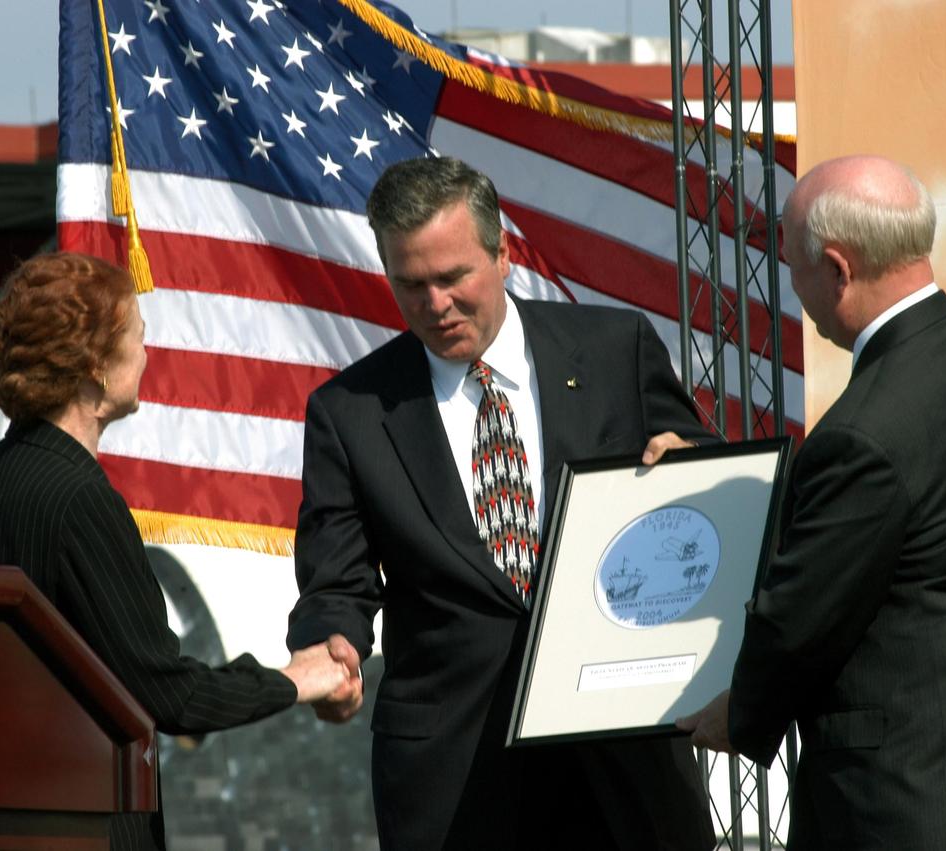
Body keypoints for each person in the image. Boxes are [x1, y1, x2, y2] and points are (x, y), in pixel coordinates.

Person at [287, 157, 716, 850]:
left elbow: (700, 487)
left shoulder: (616, 351)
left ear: (502, 253)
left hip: (623, 755)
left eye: (454, 277)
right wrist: (331, 644)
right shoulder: (351, 412)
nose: (435, 304)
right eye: (411, 284)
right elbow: (336, 579)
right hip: (455, 778)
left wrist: (695, 475)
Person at [676, 155, 946, 848]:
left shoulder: (863, 431)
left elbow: (801, 620)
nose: (792, 285)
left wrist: (739, 712)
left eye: (792, 266)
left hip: (905, 803)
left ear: (836, 268)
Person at [0, 252, 359, 851]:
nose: (147, 355)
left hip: (6, 818)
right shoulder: (80, 499)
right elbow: (168, 695)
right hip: (88, 821)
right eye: (137, 337)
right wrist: (297, 679)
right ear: (93, 362)